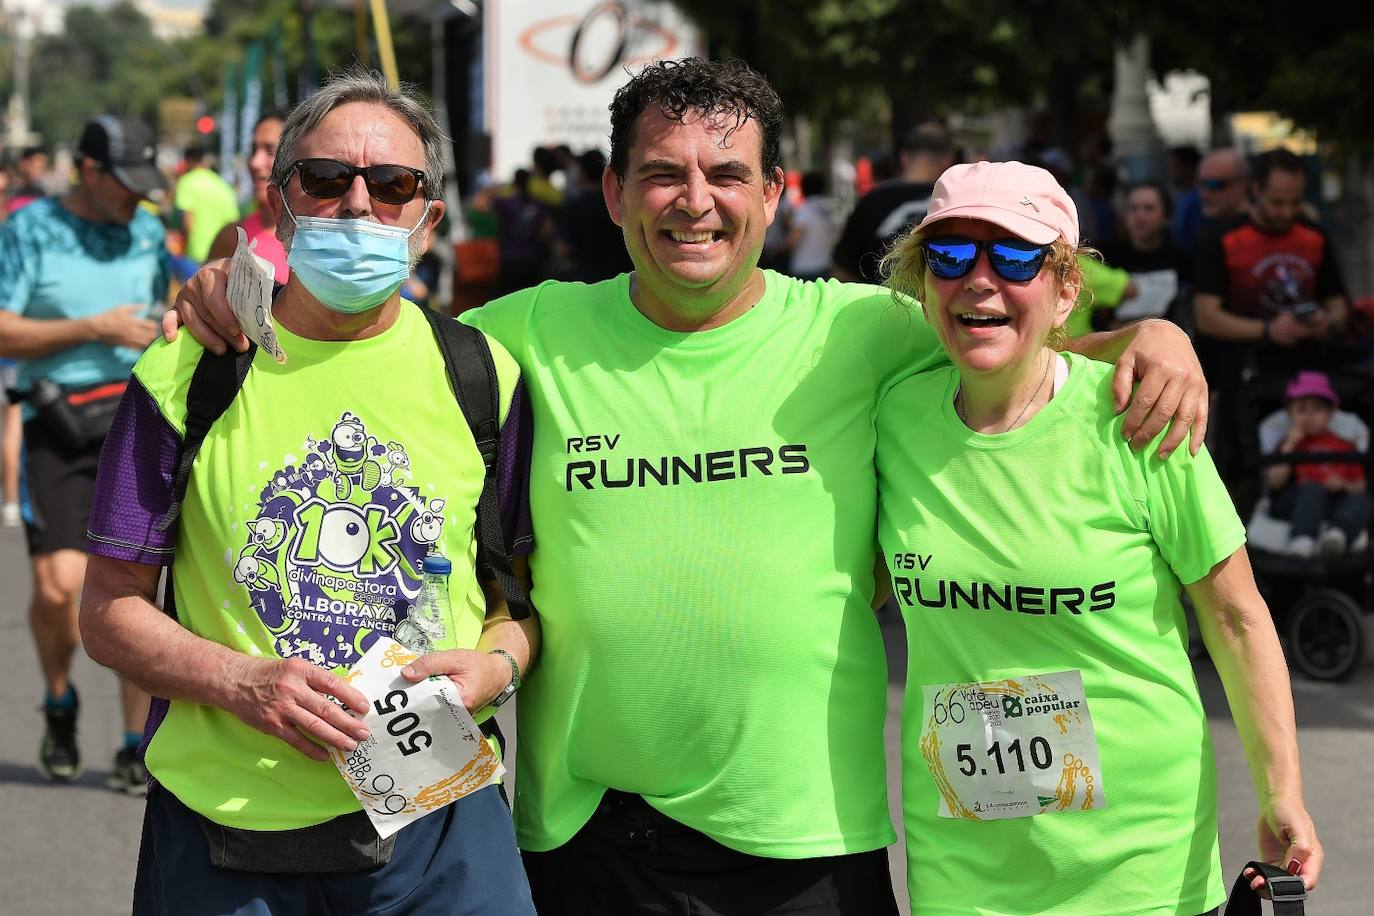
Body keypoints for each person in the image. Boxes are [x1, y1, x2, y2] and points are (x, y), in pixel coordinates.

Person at [167, 58, 1209, 916]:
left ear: (774, 195)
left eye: (726, 173)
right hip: (589, 835)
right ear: (615, 193)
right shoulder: (513, 336)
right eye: (663, 174)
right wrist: (232, 279)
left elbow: (1007, 335)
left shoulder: (860, 333)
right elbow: (356, 337)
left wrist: (1147, 337)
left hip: (809, 840)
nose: (695, 201)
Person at [78, 70, 538, 914]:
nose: (357, 205)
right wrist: (238, 681)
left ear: (428, 221)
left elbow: (519, 604)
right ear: (280, 202)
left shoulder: (482, 373)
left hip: (439, 825)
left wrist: (496, 667)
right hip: (223, 840)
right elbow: (107, 607)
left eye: (393, 185)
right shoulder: (188, 372)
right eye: (326, 179)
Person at [878, 160, 1322, 915]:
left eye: (1015, 257)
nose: (978, 280)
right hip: (964, 873)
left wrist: (1284, 793)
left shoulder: (1141, 418)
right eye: (950, 256)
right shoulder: (893, 419)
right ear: (924, 283)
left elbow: (1236, 617)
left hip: (1139, 870)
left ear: (1065, 290)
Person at [0, 115, 165, 790]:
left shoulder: (149, 229)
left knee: (140, 592)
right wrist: (91, 328)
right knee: (58, 587)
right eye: (124, 184)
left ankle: (134, 743)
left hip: (137, 419)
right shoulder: (28, 229)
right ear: (88, 171)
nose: (135, 198)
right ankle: (60, 700)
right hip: (58, 422)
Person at [1193, 148, 1349, 479]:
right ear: (1256, 191)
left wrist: (1328, 321)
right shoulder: (1224, 238)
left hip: (1307, 371)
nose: (1287, 212)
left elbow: (1338, 303)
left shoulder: (1314, 236)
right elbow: (1205, 314)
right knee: (1241, 468)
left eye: (1295, 202)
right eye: (1277, 203)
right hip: (1243, 373)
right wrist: (1267, 329)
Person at [832, 122, 956, 283]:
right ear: (947, 160)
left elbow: (843, 269)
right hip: (931, 306)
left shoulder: (871, 200)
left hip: (874, 303)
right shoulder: (953, 202)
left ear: (904, 157)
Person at [1265, 370, 1371, 556]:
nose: (1309, 416)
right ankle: (1302, 538)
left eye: (1317, 409)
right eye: (1301, 410)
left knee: (1362, 500)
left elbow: (1360, 486)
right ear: (1290, 414)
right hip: (1297, 503)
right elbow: (1275, 483)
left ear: (1330, 413)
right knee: (1312, 489)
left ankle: (1337, 535)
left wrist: (1344, 485)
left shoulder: (1344, 445)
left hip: (1335, 502)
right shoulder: (1286, 444)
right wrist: (1290, 444)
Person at [206, 110, 289, 283]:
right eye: (253, 150)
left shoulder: (320, 244)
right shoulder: (231, 238)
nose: (254, 163)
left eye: (270, 150)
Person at [1101, 180, 1193, 329]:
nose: (1140, 216)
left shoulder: (1183, 260)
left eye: (1149, 208)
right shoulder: (1106, 259)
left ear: (1166, 216)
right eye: (1133, 209)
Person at [173, 146, 240, 264]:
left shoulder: (187, 182)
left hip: (195, 253)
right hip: (221, 254)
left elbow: (187, 221)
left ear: (187, 161)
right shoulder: (222, 184)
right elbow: (233, 221)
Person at [786, 170, 838, 280]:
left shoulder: (804, 210)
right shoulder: (829, 208)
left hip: (805, 268)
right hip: (826, 265)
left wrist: (775, 251)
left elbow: (793, 241)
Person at [7, 145, 50, 213]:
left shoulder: (40, 194)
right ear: (23, 163)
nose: (38, 173)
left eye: (41, 168)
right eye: (36, 168)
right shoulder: (7, 190)